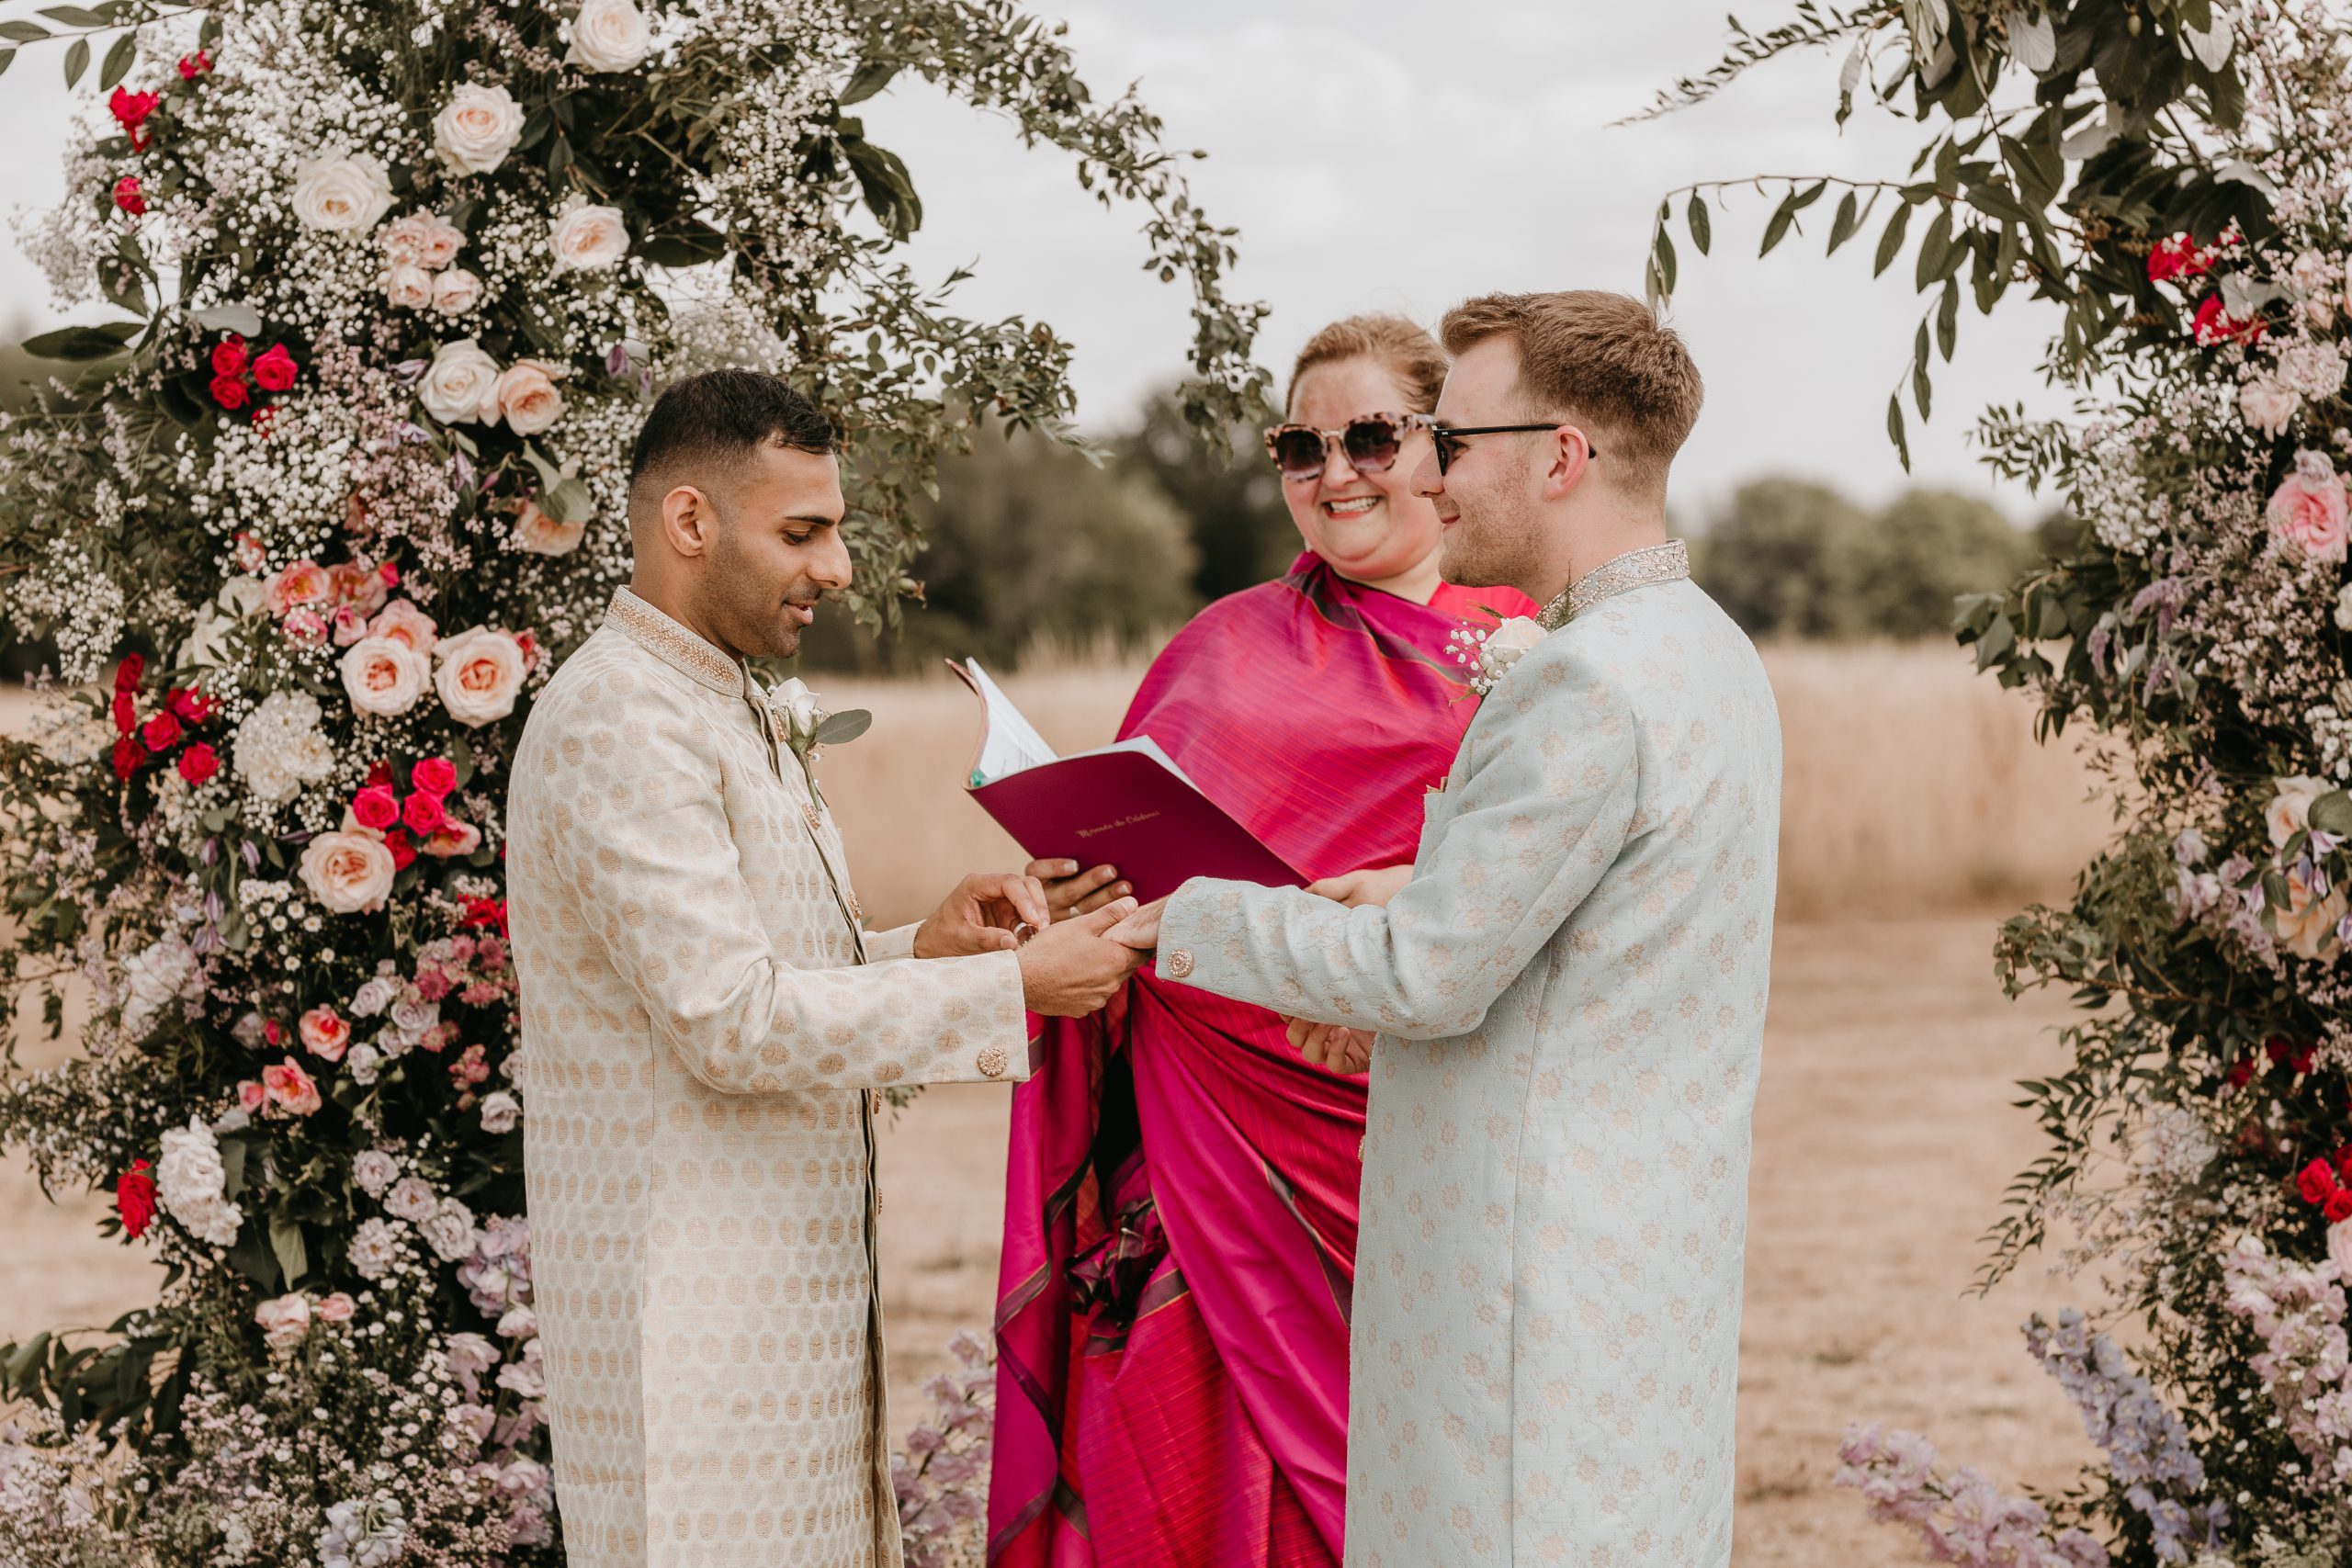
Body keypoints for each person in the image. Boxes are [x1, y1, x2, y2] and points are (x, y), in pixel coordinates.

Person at [1111, 291, 1782, 1567]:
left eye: (1457, 443)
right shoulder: (1707, 653)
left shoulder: (1581, 682)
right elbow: (1580, 931)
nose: (1433, 475)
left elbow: (1427, 980)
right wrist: (1407, 890)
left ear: (1562, 457)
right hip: (1651, 1269)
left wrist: (1191, 917)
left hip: (1521, 1291)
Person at [504, 369, 1145, 1568]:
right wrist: (1013, 991)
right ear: (690, 523)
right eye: (804, 532)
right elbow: (731, 1024)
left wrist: (928, 945)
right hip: (686, 1338)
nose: (839, 569)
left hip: (777, 1308)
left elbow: (757, 974)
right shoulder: (622, 725)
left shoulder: (721, 702)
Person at [988, 316, 1537, 1568]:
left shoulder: (1528, 653)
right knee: (1187, 1466)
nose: (1335, 472)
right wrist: (1070, 885)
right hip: (1198, 1144)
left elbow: (1552, 888)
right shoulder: (1219, 646)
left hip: (1399, 1138)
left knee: (1424, 1478)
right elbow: (1134, 843)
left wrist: (1409, 895)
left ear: (1442, 449)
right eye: (1302, 444)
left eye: (1371, 437)